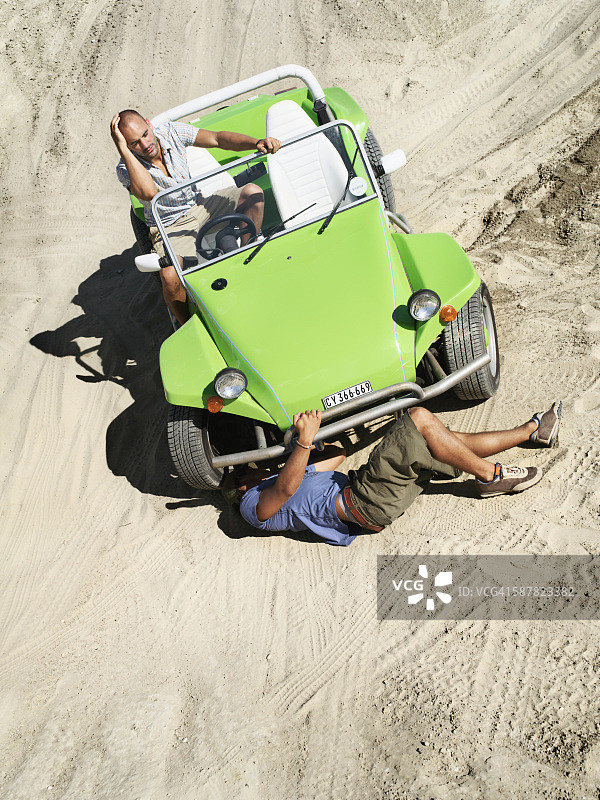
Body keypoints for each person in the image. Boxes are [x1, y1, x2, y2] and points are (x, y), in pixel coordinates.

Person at [232, 401, 563, 546]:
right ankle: (492, 477)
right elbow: (286, 491)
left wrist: (305, 447)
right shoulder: (251, 506)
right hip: (362, 501)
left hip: (370, 495)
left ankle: (531, 430)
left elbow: (338, 455)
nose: (258, 467)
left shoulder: (281, 477)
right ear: (238, 486)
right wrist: (303, 443)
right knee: (418, 417)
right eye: (248, 469)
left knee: (442, 441)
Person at [111, 109, 281, 325]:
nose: (145, 145)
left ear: (149, 124)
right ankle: (188, 326)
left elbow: (217, 138)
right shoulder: (125, 167)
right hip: (169, 225)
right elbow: (148, 193)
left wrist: (256, 142)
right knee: (170, 277)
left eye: (145, 134)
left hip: (200, 204)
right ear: (125, 146)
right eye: (134, 143)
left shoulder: (171, 131)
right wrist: (124, 151)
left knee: (253, 193)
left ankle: (246, 259)